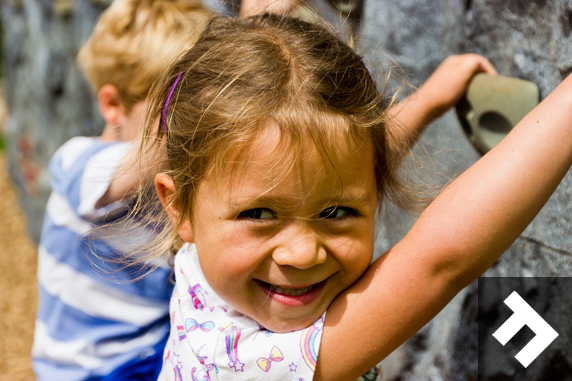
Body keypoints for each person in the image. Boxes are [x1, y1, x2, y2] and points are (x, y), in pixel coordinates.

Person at [127, 13, 569, 381]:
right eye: (259, 214)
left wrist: (428, 101)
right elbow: (441, 262)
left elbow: (330, 168)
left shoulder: (206, 238)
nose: (301, 254)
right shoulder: (247, 364)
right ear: (177, 206)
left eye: (334, 212)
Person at [31, 1, 213, 380]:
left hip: (152, 346)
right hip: (93, 368)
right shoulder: (78, 162)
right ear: (113, 105)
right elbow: (147, 157)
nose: (202, 120)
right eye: (179, 105)